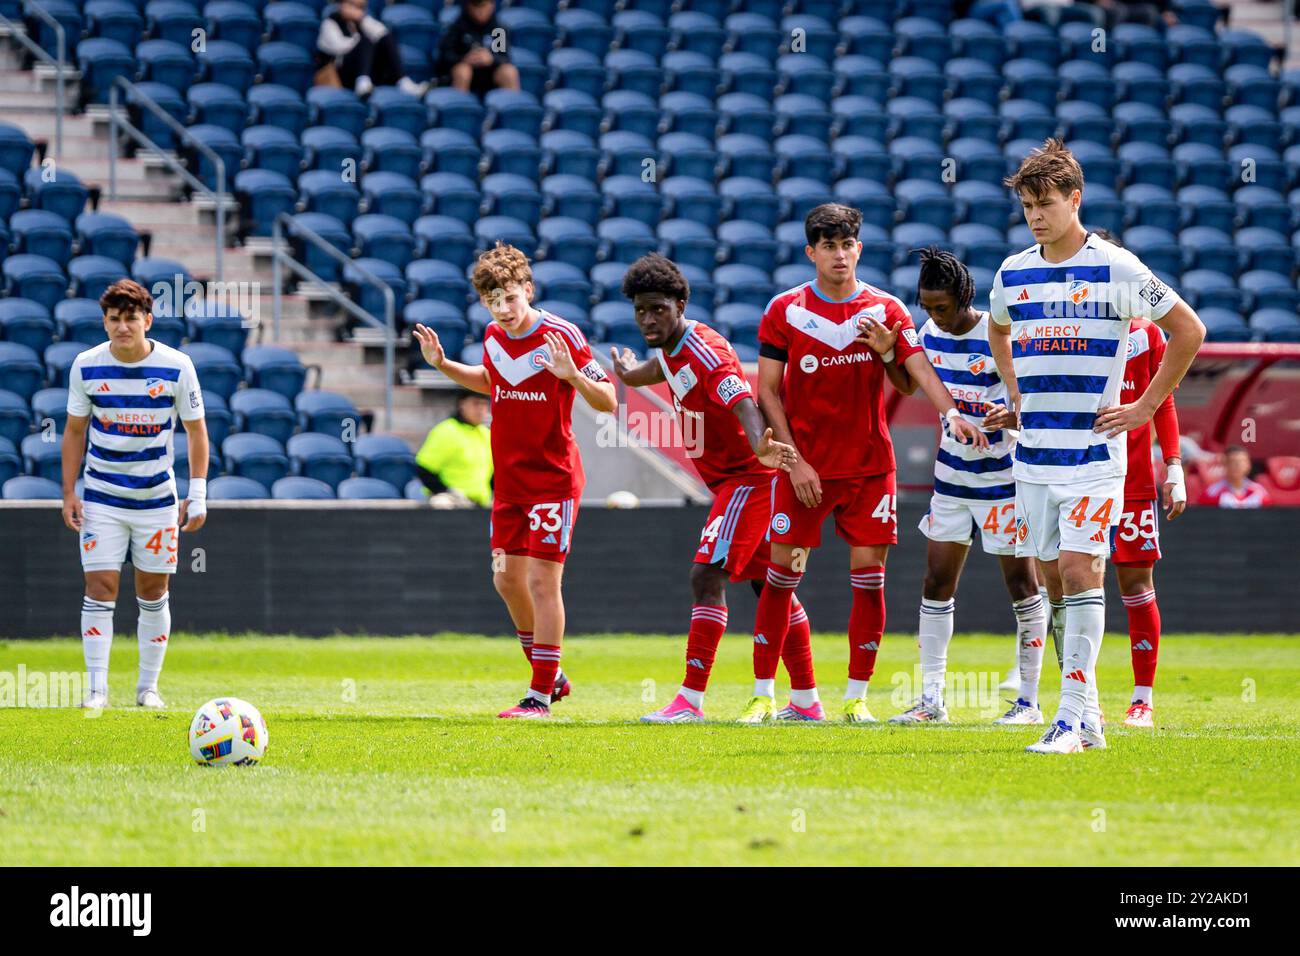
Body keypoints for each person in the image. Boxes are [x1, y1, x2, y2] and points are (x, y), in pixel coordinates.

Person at [985, 139, 1205, 755]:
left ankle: (1067, 718)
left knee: (1083, 572)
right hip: (1032, 457)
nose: (1035, 216)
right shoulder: (1013, 271)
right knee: (1056, 583)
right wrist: (1016, 391)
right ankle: (1090, 719)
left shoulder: (1119, 267)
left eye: (1046, 203)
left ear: (1074, 199)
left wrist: (1144, 406)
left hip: (1092, 459)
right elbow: (997, 328)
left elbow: (1189, 329)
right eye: (1027, 205)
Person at [749, 204, 987, 724]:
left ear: (859, 248)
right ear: (811, 252)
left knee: (869, 581)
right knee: (781, 579)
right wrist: (794, 463)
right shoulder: (784, 310)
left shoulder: (887, 310)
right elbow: (767, 391)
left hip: (868, 469)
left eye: (847, 244)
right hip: (805, 470)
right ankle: (765, 696)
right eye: (828, 245)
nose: (839, 254)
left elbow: (915, 368)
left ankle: (856, 699)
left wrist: (952, 414)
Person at [607, 254, 818, 723]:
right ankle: (806, 701)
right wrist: (627, 374)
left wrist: (761, 446)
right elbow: (661, 368)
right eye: (640, 311)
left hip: (748, 479)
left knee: (706, 576)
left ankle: (690, 700)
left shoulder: (706, 351)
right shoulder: (670, 346)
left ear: (680, 303)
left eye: (658, 309)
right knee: (770, 588)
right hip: (734, 480)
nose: (648, 319)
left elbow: (742, 401)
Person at [411, 243, 616, 718]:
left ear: (528, 289)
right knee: (506, 580)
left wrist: (573, 375)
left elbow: (607, 399)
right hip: (509, 483)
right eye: (492, 301)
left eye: (509, 297)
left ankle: (539, 695)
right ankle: (553, 672)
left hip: (554, 480)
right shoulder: (492, 335)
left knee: (544, 583)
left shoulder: (561, 335)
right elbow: (493, 380)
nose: (502, 309)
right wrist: (442, 364)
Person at [877, 248, 1048, 727]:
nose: (935, 317)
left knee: (1021, 585)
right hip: (952, 481)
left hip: (1004, 482)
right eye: (927, 307)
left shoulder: (998, 334)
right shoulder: (930, 336)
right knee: (935, 583)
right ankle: (931, 701)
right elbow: (909, 386)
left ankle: (1029, 703)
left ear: (965, 298)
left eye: (943, 307)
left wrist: (1010, 416)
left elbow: (1030, 396)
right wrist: (889, 352)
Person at [60, 279, 209, 711]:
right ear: (104, 322)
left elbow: (196, 432)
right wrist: (69, 492)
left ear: (148, 320)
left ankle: (148, 688)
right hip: (103, 497)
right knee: (100, 586)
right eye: (114, 319)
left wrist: (196, 493)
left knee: (152, 591)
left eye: (130, 318)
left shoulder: (177, 366)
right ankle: (96, 690)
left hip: (157, 500)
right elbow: (73, 432)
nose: (122, 327)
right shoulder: (85, 366)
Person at [316, 0, 428, 98]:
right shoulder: (330, 22)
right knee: (366, 41)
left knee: (384, 39)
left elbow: (383, 33)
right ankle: (362, 82)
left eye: (360, 6)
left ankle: (403, 81)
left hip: (363, 71)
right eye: (352, 5)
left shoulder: (359, 23)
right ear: (342, 4)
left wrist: (362, 20)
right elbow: (339, 47)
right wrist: (360, 39)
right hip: (340, 75)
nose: (356, 9)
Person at [414, 390, 492, 507]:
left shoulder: (486, 434)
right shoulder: (446, 431)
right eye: (476, 403)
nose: (480, 409)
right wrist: (447, 492)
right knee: (442, 503)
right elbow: (424, 470)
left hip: (480, 503)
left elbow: (494, 475)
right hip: (451, 502)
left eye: (484, 404)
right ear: (462, 404)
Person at [434, 0, 520, 98]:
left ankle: (509, 109)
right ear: (468, 6)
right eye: (476, 6)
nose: (480, 11)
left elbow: (505, 57)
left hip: (490, 74)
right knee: (463, 71)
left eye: (484, 6)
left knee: (509, 72)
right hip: (465, 74)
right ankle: (460, 108)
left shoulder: (498, 29)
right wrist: (464, 59)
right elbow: (445, 57)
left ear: (492, 6)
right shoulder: (457, 28)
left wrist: (491, 58)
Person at [1199, 446, 1272, 508]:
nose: (1237, 465)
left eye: (1241, 461)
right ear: (1225, 464)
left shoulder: (1259, 492)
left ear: (1248, 465)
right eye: (1233, 461)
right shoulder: (1212, 493)